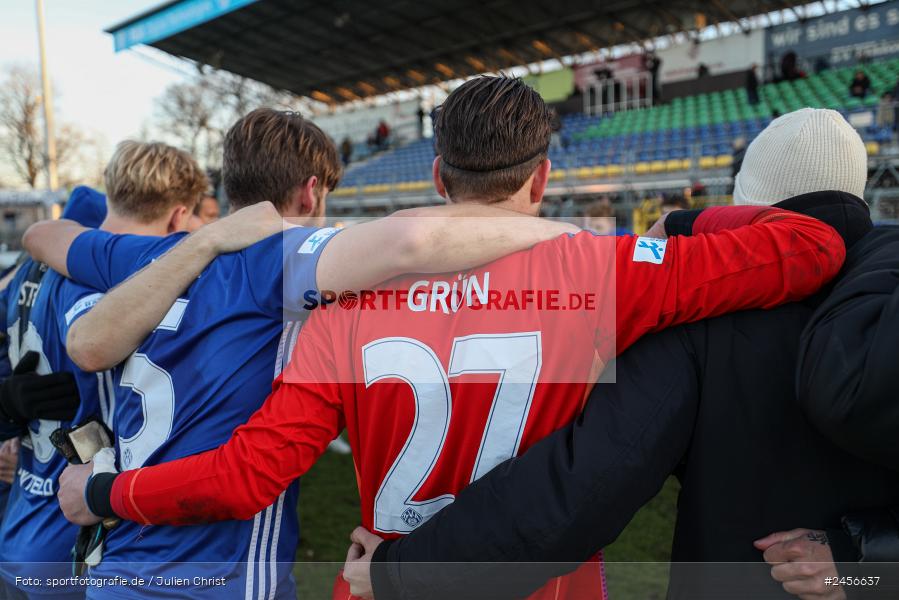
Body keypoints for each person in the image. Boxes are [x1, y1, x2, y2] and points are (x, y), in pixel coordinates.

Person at [57, 78, 844, 600]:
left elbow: (244, 477)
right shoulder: (607, 271)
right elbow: (813, 243)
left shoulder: (347, 304)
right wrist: (683, 222)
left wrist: (104, 491)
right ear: (539, 180)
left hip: (383, 578)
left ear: (437, 175)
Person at [339, 109, 899, 600]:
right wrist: (865, 569)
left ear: (745, 203)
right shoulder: (887, 288)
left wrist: (402, 573)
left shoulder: (704, 315)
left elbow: (580, 488)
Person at [24, 108, 581, 600]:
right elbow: (412, 241)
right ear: (311, 193)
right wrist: (569, 233)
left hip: (118, 566)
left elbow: (41, 234)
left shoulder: (152, 257)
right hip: (219, 576)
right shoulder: (281, 259)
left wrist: (202, 240)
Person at [0, 144, 206, 600]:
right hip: (73, 547)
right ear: (177, 217)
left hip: (20, 527)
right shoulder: (104, 286)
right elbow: (91, 347)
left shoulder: (29, 272)